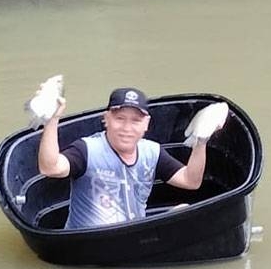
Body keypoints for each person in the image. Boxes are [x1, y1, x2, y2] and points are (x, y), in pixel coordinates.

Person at [37, 87, 213, 229]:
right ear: (106, 119)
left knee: (183, 210)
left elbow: (191, 181)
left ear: (146, 124)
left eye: (136, 120)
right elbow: (50, 168)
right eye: (120, 118)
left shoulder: (152, 151)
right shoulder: (87, 149)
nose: (127, 128)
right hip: (88, 242)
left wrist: (201, 141)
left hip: (133, 237)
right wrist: (52, 119)